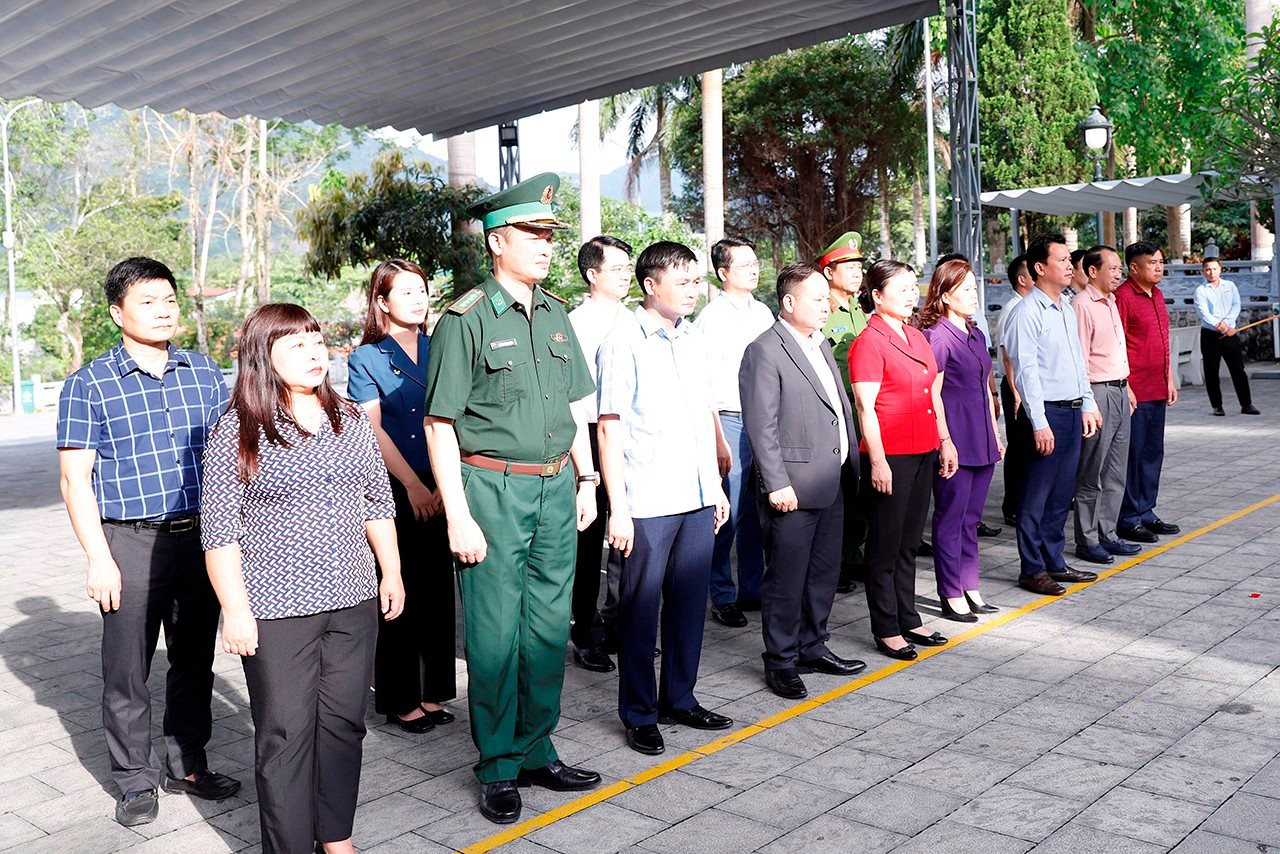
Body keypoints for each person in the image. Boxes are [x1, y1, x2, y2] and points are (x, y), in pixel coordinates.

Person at [423, 173, 601, 825]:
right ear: (498, 242)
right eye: (532, 233)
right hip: (490, 487)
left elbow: (572, 409)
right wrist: (458, 515)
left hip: (556, 484)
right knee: (497, 632)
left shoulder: (554, 313)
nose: (546, 244)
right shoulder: (464, 320)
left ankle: (537, 747)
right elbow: (439, 425)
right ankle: (498, 765)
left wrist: (585, 479)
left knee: (549, 625)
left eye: (550, 234)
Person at [201, 303, 405, 854]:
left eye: (317, 341)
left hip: (353, 597)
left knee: (343, 724)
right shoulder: (237, 431)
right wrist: (236, 611)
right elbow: (219, 531)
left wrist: (392, 571)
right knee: (286, 735)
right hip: (277, 608)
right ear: (262, 358)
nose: (315, 354)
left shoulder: (350, 420)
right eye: (296, 345)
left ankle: (336, 836)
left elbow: (376, 500)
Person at [57, 257, 239, 828]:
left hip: (200, 538)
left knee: (193, 661)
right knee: (127, 668)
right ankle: (135, 780)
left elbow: (230, 459)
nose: (162, 312)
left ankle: (188, 762)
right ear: (117, 313)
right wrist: (98, 558)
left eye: (168, 300)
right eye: (146, 302)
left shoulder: (205, 373)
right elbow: (74, 478)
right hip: (129, 544)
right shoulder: (88, 385)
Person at [597, 240, 733, 756]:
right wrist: (619, 508)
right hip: (647, 503)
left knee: (688, 604)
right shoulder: (623, 341)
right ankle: (638, 712)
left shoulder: (692, 338)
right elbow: (609, 429)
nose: (694, 291)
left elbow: (703, 416)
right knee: (639, 609)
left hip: (696, 496)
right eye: (683, 282)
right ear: (650, 285)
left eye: (697, 281)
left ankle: (680, 696)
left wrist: (715, 486)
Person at [739, 262, 864, 700]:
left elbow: (837, 407)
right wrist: (775, 482)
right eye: (817, 298)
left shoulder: (819, 343)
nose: (827, 305)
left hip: (830, 479)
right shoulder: (765, 350)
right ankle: (781, 661)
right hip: (792, 485)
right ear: (789, 302)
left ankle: (813, 645)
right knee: (786, 579)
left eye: (826, 297)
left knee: (822, 574)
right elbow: (762, 424)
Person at [347, 259, 457, 733]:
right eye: (405, 291)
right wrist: (413, 486)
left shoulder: (444, 347)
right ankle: (401, 697)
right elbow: (371, 428)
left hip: (445, 479)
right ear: (382, 302)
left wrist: (439, 485)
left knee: (439, 591)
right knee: (400, 589)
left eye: (422, 289)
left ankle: (435, 693)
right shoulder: (366, 357)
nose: (417, 298)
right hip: (394, 486)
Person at [850, 260, 957, 661]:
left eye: (915, 286)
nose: (913, 294)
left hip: (923, 448)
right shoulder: (869, 341)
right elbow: (865, 407)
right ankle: (886, 627)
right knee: (884, 545)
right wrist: (877, 462)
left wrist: (945, 440)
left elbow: (933, 394)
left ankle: (908, 616)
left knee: (909, 542)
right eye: (903, 288)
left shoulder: (917, 336)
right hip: (890, 453)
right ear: (877, 296)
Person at [1005, 235, 1102, 596]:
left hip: (1072, 411)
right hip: (1046, 415)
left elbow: (1078, 363)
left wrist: (1088, 402)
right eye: (1061, 260)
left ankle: (1053, 560)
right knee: (1036, 495)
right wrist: (1039, 421)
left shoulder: (1063, 307)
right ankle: (1032, 569)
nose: (1068, 265)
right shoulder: (1026, 313)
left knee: (1061, 494)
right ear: (1040, 268)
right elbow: (1026, 370)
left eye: (1068, 260)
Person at [918, 259, 1004, 622]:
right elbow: (931, 393)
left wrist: (996, 434)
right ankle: (950, 591)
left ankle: (971, 585)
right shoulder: (936, 336)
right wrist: (944, 440)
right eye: (966, 289)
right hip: (954, 437)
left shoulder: (975, 333)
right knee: (951, 518)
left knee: (972, 519)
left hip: (981, 435)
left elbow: (986, 388)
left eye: (974, 287)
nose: (974, 295)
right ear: (946, 294)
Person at [695, 237, 774, 628]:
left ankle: (752, 588)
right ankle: (721, 594)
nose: (754, 269)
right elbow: (703, 383)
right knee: (727, 510)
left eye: (755, 262)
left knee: (756, 511)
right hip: (729, 418)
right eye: (744, 265)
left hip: (763, 418)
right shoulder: (712, 317)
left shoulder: (763, 312)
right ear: (723, 273)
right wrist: (718, 437)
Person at [567, 235, 635, 673]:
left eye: (628, 267)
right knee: (589, 544)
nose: (626, 274)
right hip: (589, 435)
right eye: (617, 268)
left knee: (631, 536)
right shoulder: (576, 322)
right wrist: (585, 473)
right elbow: (574, 401)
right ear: (592, 275)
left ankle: (621, 625)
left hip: (631, 435)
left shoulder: (635, 319)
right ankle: (586, 633)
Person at [1073, 246, 1143, 565]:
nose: (1119, 274)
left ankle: (1108, 532)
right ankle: (1087, 539)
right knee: (1093, 469)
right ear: (1092, 271)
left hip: (1118, 388)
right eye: (1113, 268)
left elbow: (1116, 351)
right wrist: (1089, 403)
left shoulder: (1112, 301)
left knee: (1116, 467)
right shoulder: (1081, 306)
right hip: (1097, 393)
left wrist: (1126, 386)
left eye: (1119, 269)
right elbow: (1080, 361)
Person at [1115, 241, 1180, 543]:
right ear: (1134, 267)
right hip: (1134, 391)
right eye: (1152, 263)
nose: (1159, 267)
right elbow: (1118, 346)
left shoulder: (1157, 295)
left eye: (1161, 262)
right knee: (1134, 454)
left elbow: (1163, 342)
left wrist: (1169, 378)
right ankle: (1128, 516)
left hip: (1157, 386)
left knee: (1153, 452)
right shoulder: (1123, 298)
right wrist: (1125, 385)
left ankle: (1146, 510)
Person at [818, 231, 869, 594]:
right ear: (828, 272)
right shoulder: (822, 311)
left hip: (863, 415)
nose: (856, 272)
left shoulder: (859, 311)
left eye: (858, 265)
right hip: (835, 417)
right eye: (846, 266)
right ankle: (831, 564)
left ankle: (851, 556)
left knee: (859, 492)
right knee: (834, 496)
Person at [1195, 256, 1259, 417]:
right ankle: (1217, 406)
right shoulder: (1200, 291)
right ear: (1203, 271)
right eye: (1208, 269)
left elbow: (1236, 305)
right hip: (1210, 335)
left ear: (1220, 269)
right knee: (1211, 371)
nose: (1211, 272)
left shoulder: (1230, 286)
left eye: (1214, 268)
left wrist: (1228, 324)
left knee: (1238, 370)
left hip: (1230, 333)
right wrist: (1221, 326)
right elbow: (1204, 314)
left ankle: (1247, 404)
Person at [998, 254, 1035, 527]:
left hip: (1026, 386)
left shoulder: (1030, 305)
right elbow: (1008, 355)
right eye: (1033, 273)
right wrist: (1017, 392)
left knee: (1028, 446)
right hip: (1016, 388)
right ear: (1022, 280)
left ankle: (1024, 501)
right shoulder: (1014, 308)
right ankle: (1013, 505)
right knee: (1019, 447)